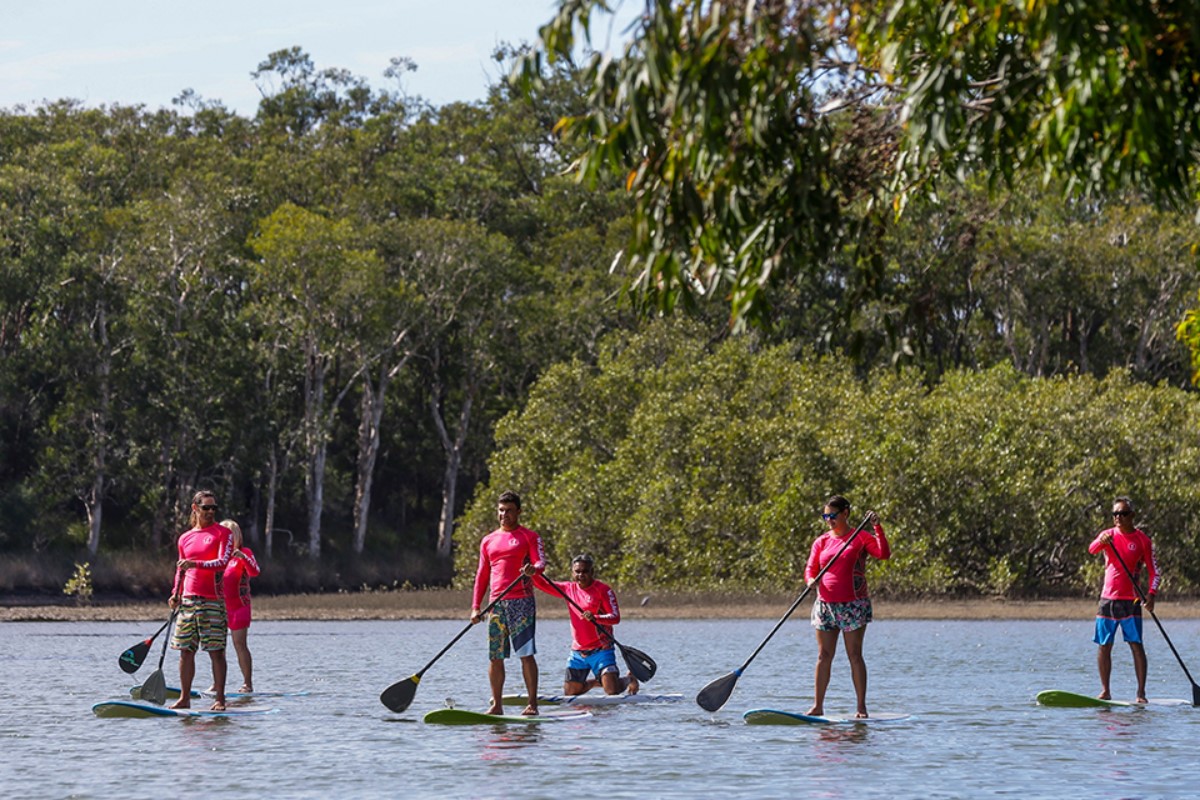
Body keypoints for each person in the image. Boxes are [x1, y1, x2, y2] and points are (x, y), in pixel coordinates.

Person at [805, 495, 891, 719]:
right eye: (826, 516)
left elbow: (883, 554)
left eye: (833, 516)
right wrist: (810, 581)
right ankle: (817, 706)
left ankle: (861, 707)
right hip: (825, 605)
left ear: (845, 514)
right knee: (824, 655)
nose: (829, 520)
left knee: (854, 654)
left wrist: (877, 527)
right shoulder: (821, 541)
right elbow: (810, 568)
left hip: (853, 604)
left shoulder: (861, 537)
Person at [471, 490, 546, 716]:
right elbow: (482, 575)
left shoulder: (529, 537)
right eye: (501, 510)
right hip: (496, 605)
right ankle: (497, 704)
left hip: (521, 602)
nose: (504, 515)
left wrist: (534, 569)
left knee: (526, 654)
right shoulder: (488, 540)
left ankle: (532, 704)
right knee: (495, 656)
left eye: (509, 511)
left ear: (519, 512)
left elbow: (540, 561)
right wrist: (476, 606)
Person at [533, 554, 639, 697]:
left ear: (592, 572)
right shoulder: (567, 589)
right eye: (577, 572)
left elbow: (615, 617)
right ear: (572, 572)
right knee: (570, 693)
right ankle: (596, 682)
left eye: (585, 571)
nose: (581, 575)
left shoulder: (603, 590)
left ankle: (630, 679)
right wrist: (531, 573)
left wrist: (595, 618)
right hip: (578, 652)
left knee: (612, 690)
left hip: (602, 649)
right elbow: (543, 584)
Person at [1088, 496, 1158, 703]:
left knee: (1136, 644)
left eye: (1123, 513)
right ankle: (1105, 691)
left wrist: (1151, 595)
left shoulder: (1143, 540)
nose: (1119, 517)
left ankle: (1141, 693)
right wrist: (1100, 542)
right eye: (1116, 514)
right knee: (1104, 645)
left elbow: (1155, 572)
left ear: (1132, 516)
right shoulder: (1107, 535)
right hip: (1107, 599)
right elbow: (1092, 549)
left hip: (1132, 601)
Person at [168, 490, 233, 711]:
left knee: (216, 651)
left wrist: (195, 564)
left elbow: (222, 562)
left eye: (214, 508)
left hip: (212, 600)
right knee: (185, 651)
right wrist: (175, 593)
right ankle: (184, 698)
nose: (211, 512)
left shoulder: (223, 533)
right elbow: (180, 569)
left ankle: (220, 700)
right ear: (195, 508)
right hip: (187, 601)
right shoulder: (184, 538)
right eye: (206, 508)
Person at [219, 519, 260, 693]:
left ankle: (247, 683)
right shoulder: (217, 557)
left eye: (231, 535)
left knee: (239, 643)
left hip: (239, 606)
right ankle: (217, 684)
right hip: (220, 607)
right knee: (217, 646)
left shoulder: (245, 553)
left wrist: (243, 558)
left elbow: (255, 572)